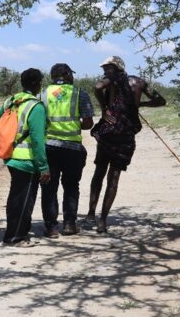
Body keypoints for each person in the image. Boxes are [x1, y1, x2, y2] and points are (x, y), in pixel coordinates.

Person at [86, 56, 166, 233]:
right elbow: (160, 100)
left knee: (100, 172)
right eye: (104, 68)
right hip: (127, 135)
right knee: (113, 178)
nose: (105, 71)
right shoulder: (139, 82)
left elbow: (97, 87)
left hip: (109, 132)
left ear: (116, 68)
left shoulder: (112, 79)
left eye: (107, 68)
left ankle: (91, 214)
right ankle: (102, 221)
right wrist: (136, 105)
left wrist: (105, 108)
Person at [0, 68, 51, 247]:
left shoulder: (11, 100)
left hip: (10, 156)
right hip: (27, 160)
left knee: (16, 197)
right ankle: (16, 237)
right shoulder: (35, 106)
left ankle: (14, 233)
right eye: (40, 82)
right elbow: (38, 141)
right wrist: (43, 166)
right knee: (24, 200)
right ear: (37, 83)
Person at [40, 63, 94, 237]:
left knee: (49, 188)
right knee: (71, 186)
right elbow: (88, 123)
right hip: (73, 148)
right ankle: (70, 224)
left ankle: (51, 228)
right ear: (69, 75)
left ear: (52, 77)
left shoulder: (42, 94)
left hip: (48, 147)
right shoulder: (80, 94)